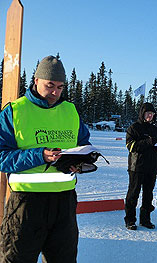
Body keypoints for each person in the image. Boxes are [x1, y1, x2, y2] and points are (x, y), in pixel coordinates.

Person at [0, 55, 91, 262]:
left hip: (64, 204)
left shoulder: (70, 111)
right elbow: (1, 156)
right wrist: (39, 155)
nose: (55, 92)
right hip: (26, 205)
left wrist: (79, 162)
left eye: (60, 87)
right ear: (36, 81)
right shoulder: (14, 111)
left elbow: (83, 144)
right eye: (50, 85)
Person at [124, 102, 157, 230]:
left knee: (148, 195)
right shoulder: (134, 128)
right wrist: (148, 142)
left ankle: (145, 220)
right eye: (147, 113)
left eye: (152, 114)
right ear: (142, 114)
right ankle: (130, 220)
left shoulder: (156, 130)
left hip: (151, 167)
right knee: (133, 195)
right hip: (137, 167)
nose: (150, 116)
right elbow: (131, 146)